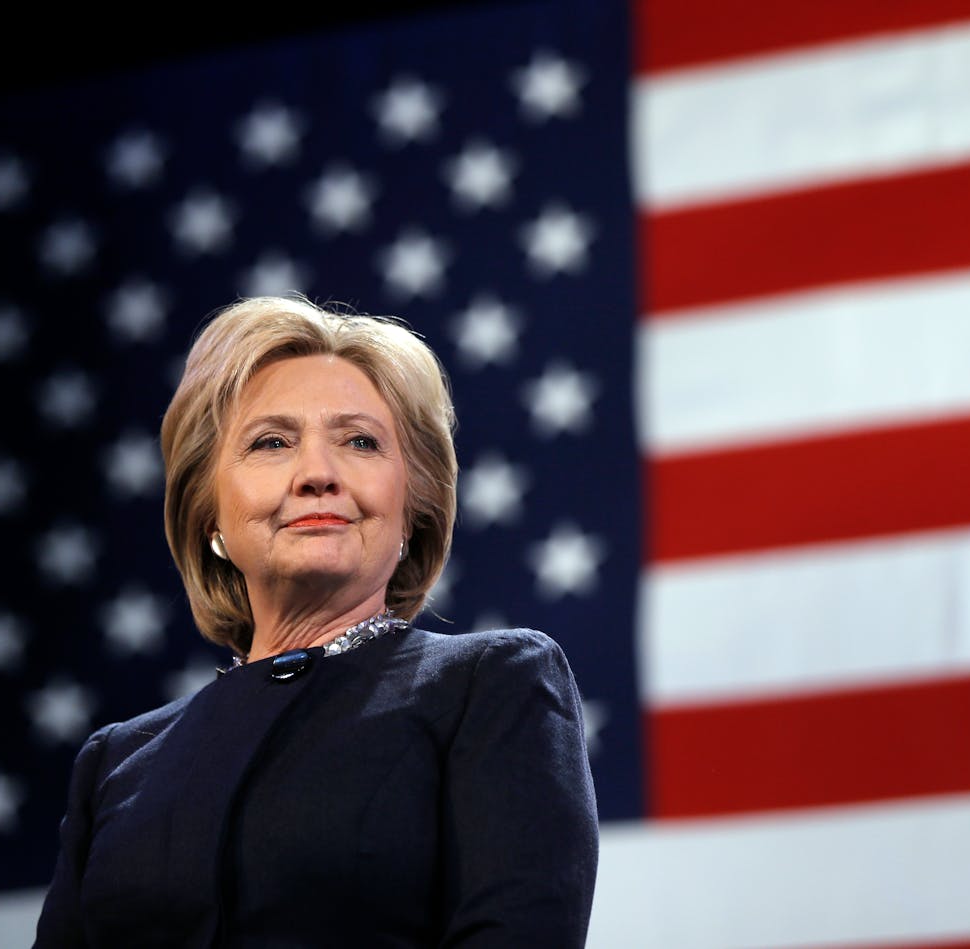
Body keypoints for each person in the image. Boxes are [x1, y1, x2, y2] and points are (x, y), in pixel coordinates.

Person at [34, 296, 598, 947]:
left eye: (359, 441)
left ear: (413, 506)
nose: (318, 474)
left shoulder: (492, 686)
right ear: (209, 514)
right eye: (271, 442)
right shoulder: (115, 763)